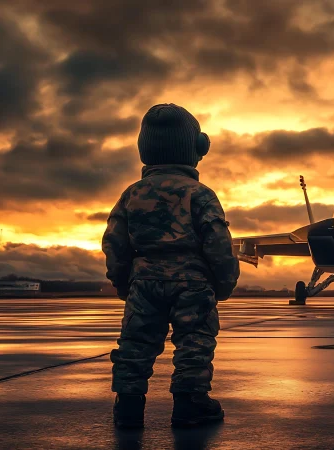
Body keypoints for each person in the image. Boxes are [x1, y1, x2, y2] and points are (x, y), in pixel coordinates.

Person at [102, 103, 240, 428]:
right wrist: (224, 283)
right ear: (196, 149)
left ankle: (128, 405)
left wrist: (124, 284)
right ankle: (191, 403)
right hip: (192, 285)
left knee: (135, 344)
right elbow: (218, 241)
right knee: (194, 341)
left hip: (144, 284)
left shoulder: (131, 194)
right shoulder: (200, 194)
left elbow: (115, 243)